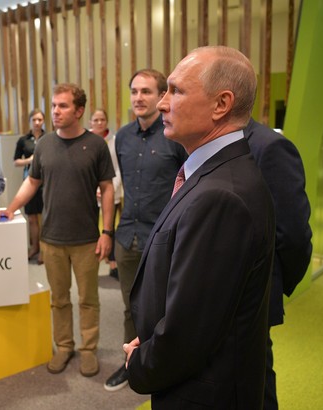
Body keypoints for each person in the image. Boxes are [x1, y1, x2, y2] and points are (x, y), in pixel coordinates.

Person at [123, 46, 276, 409]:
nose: (162, 103)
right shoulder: (213, 174)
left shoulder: (222, 195)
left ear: (221, 104)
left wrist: (139, 364)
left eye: (175, 91)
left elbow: (189, 332)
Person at [0, 83, 115, 378]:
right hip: (52, 239)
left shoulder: (96, 145)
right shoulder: (44, 144)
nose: (55, 111)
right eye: (54, 106)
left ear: (79, 110)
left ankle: (88, 351)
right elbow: (32, 182)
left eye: (63, 106)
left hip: (86, 239)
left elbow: (107, 189)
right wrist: (10, 208)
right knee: (58, 299)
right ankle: (64, 346)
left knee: (88, 300)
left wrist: (107, 232)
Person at [104, 69, 188, 392]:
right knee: (131, 306)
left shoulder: (175, 136)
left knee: (168, 308)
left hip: (164, 238)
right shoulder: (122, 138)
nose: (139, 98)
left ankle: (165, 366)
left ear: (161, 95)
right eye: (134, 91)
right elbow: (121, 185)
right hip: (128, 235)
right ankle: (132, 364)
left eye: (147, 92)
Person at [244, 118, 313, 409]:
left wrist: (276, 284)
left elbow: (293, 234)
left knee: (255, 382)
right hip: (217, 294)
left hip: (252, 294)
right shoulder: (203, 144)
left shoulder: (269, 146)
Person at [90, 108, 123, 279]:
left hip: (112, 192)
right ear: (90, 122)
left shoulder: (114, 141)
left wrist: (109, 188)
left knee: (111, 228)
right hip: (90, 195)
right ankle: (93, 261)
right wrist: (94, 189)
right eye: (95, 120)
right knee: (92, 228)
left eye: (102, 120)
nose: (99, 123)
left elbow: (117, 169)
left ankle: (113, 262)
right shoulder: (86, 140)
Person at [14, 109, 45, 263]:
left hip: (47, 183)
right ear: (30, 121)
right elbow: (16, 161)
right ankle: (34, 247)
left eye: (40, 119)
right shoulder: (23, 140)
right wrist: (30, 160)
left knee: (45, 217)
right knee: (32, 218)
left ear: (44, 121)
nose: (37, 122)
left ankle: (44, 251)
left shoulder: (49, 138)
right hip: (30, 181)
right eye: (35, 120)